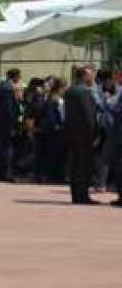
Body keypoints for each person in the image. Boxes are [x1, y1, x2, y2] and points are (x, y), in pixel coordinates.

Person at [65, 65, 100, 205]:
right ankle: (82, 195)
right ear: (85, 75)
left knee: (75, 164)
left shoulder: (70, 90)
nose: (93, 77)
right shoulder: (85, 91)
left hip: (72, 133)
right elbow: (89, 116)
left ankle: (76, 194)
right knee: (84, 165)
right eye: (92, 75)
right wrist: (95, 133)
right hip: (85, 134)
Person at [0, 69, 22, 183]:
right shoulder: (9, 89)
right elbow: (9, 109)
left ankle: (0, 173)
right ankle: (6, 173)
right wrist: (13, 125)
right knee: (8, 149)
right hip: (8, 123)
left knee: (2, 148)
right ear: (16, 77)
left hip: (0, 122)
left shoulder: (0, 87)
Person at [39, 77, 67, 184]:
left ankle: (57, 176)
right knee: (53, 154)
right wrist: (56, 125)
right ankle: (52, 176)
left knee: (59, 155)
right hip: (54, 131)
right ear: (60, 88)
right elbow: (50, 115)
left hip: (59, 129)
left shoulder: (58, 99)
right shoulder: (52, 99)